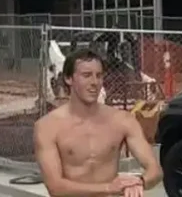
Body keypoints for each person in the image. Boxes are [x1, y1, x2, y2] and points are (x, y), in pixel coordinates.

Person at [34, 48, 162, 197]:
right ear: (69, 79)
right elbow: (55, 187)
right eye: (86, 76)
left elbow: (155, 170)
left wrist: (139, 181)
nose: (94, 82)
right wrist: (110, 188)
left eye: (99, 76)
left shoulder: (122, 120)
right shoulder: (47, 127)